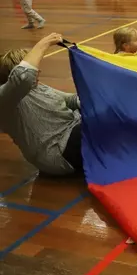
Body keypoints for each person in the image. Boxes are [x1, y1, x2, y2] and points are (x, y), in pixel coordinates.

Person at [0, 33, 83, 175]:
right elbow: (23, 77)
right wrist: (44, 43)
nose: (38, 71)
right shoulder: (6, 100)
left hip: (73, 131)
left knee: (111, 112)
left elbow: (69, 100)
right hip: (58, 151)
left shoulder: (37, 87)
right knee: (106, 122)